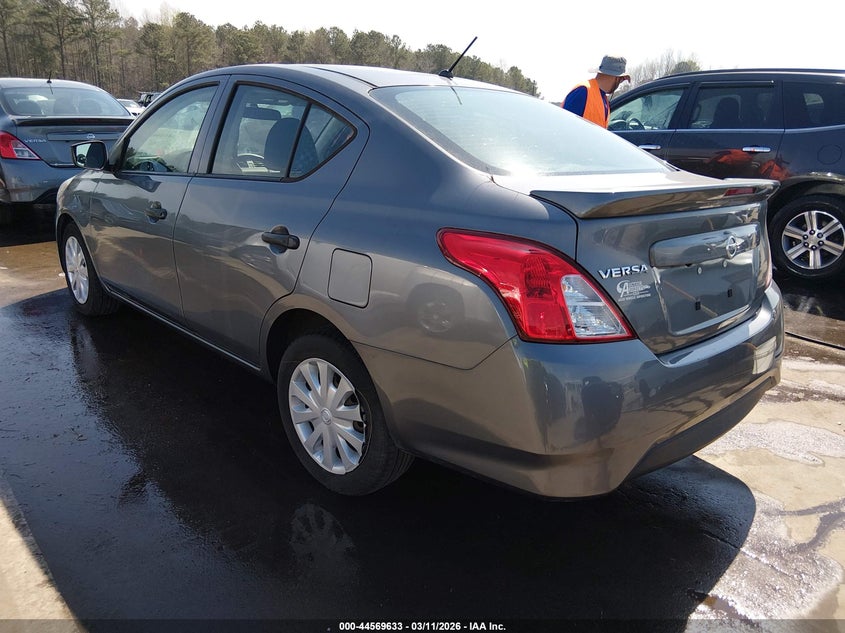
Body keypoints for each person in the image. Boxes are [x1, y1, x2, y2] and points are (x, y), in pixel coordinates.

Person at [562, 55, 630, 127]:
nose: (621, 83)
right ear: (617, 78)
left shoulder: (602, 98)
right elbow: (564, 126)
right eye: (622, 79)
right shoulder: (583, 92)